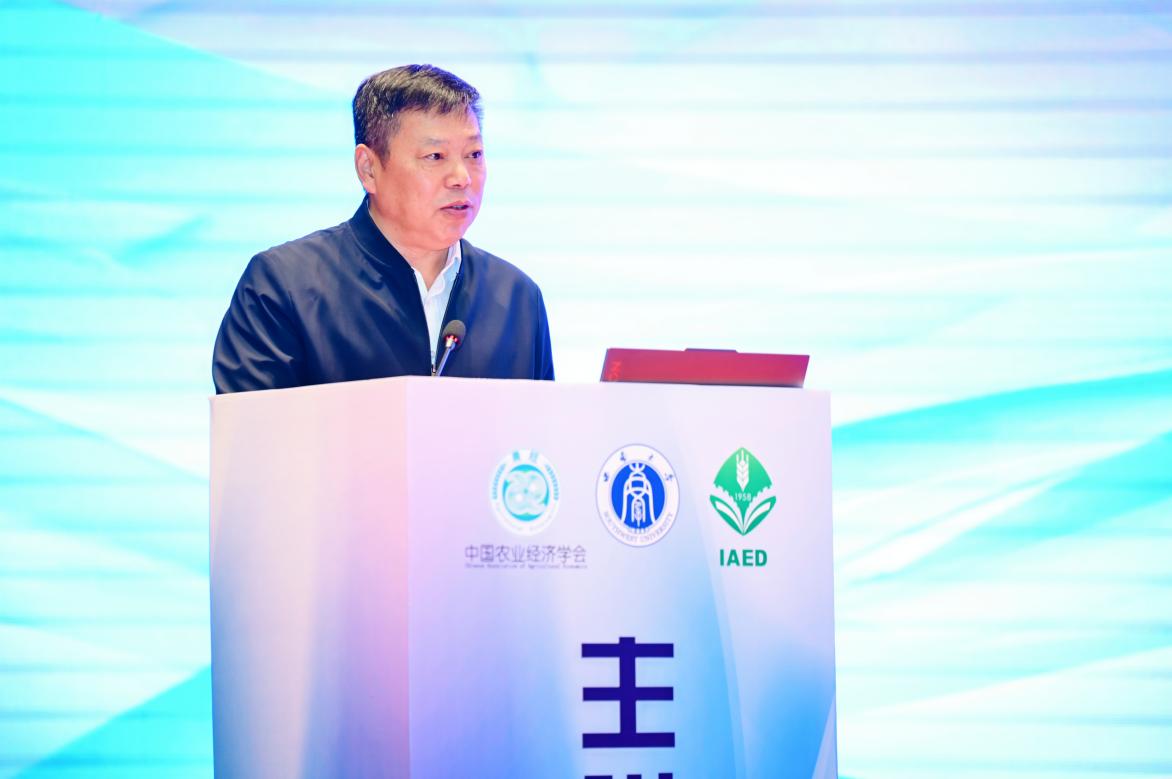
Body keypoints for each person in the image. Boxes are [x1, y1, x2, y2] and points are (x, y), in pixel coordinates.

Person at [212, 64, 554, 393]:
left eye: (474, 154)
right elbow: (251, 430)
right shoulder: (283, 287)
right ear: (369, 169)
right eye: (435, 156)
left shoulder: (518, 299)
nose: (462, 178)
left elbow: (541, 430)